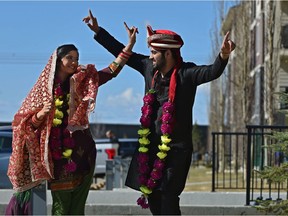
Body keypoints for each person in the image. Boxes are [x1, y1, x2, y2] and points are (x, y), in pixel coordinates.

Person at [83, 10, 236, 215]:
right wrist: (98, 31)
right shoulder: (148, 68)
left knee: (168, 197)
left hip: (176, 150)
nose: (150, 56)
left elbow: (212, 71)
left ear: (168, 53)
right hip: (151, 147)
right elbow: (122, 53)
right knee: (153, 197)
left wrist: (223, 55)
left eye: (154, 52)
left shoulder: (187, 73)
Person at [5, 25, 137, 215]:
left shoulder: (82, 81)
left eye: (77, 58)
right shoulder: (42, 91)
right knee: (61, 209)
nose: (74, 62)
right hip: (58, 159)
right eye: (70, 58)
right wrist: (40, 115)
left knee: (77, 210)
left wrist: (129, 46)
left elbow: (110, 72)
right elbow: (22, 124)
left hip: (85, 156)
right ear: (58, 61)